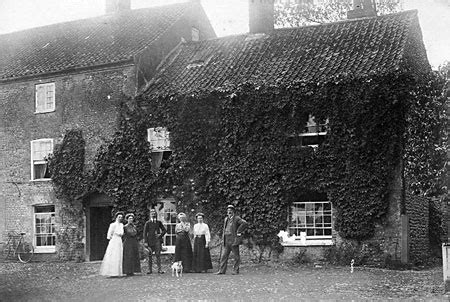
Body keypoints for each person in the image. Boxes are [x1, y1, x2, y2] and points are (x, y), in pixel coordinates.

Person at [215, 205, 247, 275]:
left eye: (231, 210)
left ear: (233, 211)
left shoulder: (237, 218)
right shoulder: (226, 219)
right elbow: (224, 229)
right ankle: (222, 270)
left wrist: (239, 231)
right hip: (226, 239)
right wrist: (223, 238)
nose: (229, 212)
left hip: (233, 239)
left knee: (236, 256)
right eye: (228, 211)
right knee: (224, 256)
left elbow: (244, 223)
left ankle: (235, 270)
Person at [100, 211, 124, 277]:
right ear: (116, 217)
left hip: (119, 240)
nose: (120, 218)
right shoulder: (113, 225)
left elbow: (122, 233)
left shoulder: (121, 225)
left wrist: (120, 234)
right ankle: (111, 272)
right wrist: (112, 238)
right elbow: (109, 235)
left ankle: (118, 272)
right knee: (113, 254)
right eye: (119, 217)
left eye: (121, 217)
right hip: (114, 240)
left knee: (119, 255)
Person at [143, 208, 166, 274]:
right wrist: (145, 242)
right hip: (150, 241)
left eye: (154, 213)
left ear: (156, 214)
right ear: (150, 215)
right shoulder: (148, 223)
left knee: (158, 255)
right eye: (152, 213)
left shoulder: (159, 222)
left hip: (157, 241)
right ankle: (149, 270)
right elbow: (144, 233)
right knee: (150, 255)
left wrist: (160, 235)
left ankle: (159, 269)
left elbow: (164, 230)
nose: (153, 214)